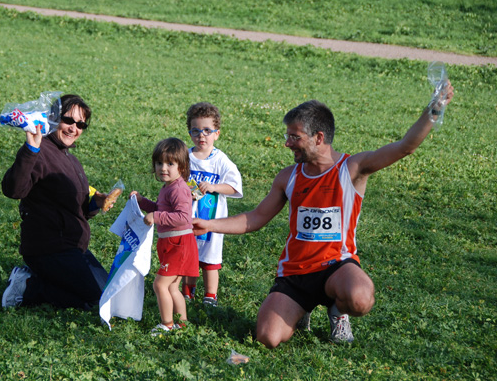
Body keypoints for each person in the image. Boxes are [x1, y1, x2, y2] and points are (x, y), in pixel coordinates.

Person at [193, 81, 454, 348]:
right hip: (295, 273)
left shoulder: (353, 168)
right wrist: (209, 224)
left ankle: (337, 311)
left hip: (336, 267)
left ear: (318, 137)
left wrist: (435, 108)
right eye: (287, 136)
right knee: (267, 338)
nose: (287, 143)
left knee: (360, 299)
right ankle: (301, 308)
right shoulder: (288, 177)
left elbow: (404, 147)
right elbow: (255, 218)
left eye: (295, 137)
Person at [1, 94, 116, 310]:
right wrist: (30, 151)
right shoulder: (39, 151)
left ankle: (46, 278)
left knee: (108, 294)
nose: (74, 128)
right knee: (93, 301)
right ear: (53, 118)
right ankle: (28, 287)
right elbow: (13, 189)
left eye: (81, 124)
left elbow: (78, 206)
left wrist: (96, 202)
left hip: (72, 247)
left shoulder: (70, 159)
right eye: (69, 120)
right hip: (48, 248)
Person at [130, 138, 199, 335]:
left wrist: (156, 216)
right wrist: (144, 203)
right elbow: (161, 209)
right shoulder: (169, 187)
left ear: (182, 167)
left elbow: (183, 216)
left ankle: (167, 324)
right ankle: (182, 324)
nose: (163, 168)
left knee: (160, 284)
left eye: (170, 163)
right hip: (173, 243)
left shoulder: (178, 189)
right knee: (172, 288)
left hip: (178, 243)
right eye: (159, 163)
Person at [180, 102, 243, 307]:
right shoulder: (185, 158)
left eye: (207, 131)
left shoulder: (221, 160)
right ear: (190, 133)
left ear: (217, 133)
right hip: (187, 217)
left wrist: (215, 186)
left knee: (210, 259)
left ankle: (210, 296)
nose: (202, 136)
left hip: (213, 220)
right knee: (188, 256)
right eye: (196, 131)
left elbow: (235, 187)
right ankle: (188, 293)